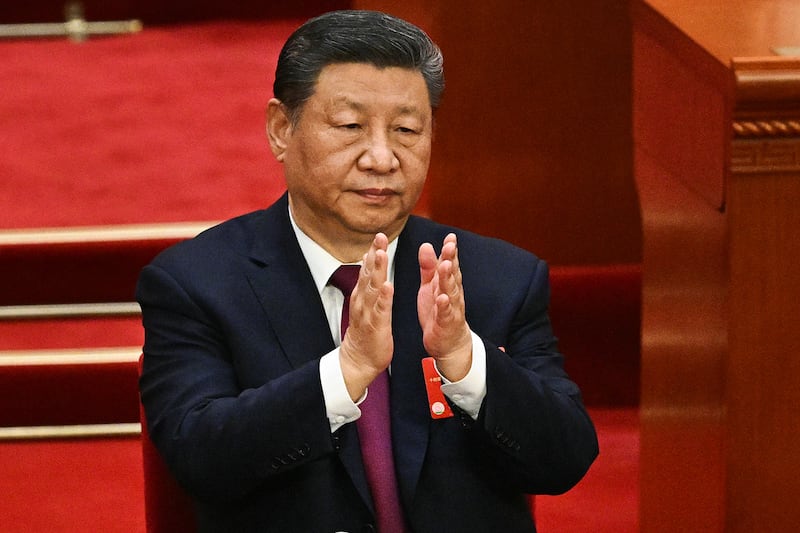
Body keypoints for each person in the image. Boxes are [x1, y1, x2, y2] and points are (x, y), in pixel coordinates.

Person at [137, 10, 598, 533]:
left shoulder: (496, 278)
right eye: (350, 126)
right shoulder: (197, 284)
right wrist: (347, 371)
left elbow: (565, 458)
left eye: (406, 130)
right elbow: (200, 458)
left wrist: (466, 362)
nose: (382, 158)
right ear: (281, 129)